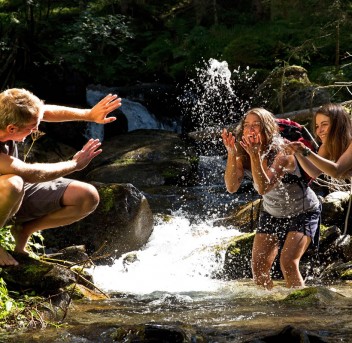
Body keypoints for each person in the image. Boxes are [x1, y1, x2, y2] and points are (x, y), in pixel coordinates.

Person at [0, 88, 122, 266]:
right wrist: (74, 164)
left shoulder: (7, 113)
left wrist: (89, 114)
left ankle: (24, 230)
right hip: (10, 187)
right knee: (14, 183)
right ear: (12, 128)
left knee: (87, 196)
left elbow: (45, 111)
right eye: (31, 128)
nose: (35, 130)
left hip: (12, 194)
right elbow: (29, 173)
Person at [221, 108, 321, 289]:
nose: (250, 130)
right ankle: (270, 310)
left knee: (288, 263)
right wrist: (231, 153)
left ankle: (302, 310)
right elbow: (231, 187)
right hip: (271, 212)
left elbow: (263, 188)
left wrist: (256, 157)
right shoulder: (243, 152)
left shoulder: (283, 152)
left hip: (303, 211)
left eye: (256, 126)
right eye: (247, 126)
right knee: (258, 267)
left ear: (267, 129)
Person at [288, 103, 352, 179]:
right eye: (317, 126)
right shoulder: (327, 147)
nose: (319, 131)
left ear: (338, 124)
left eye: (324, 124)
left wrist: (306, 151)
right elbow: (314, 172)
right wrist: (297, 151)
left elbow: (336, 171)